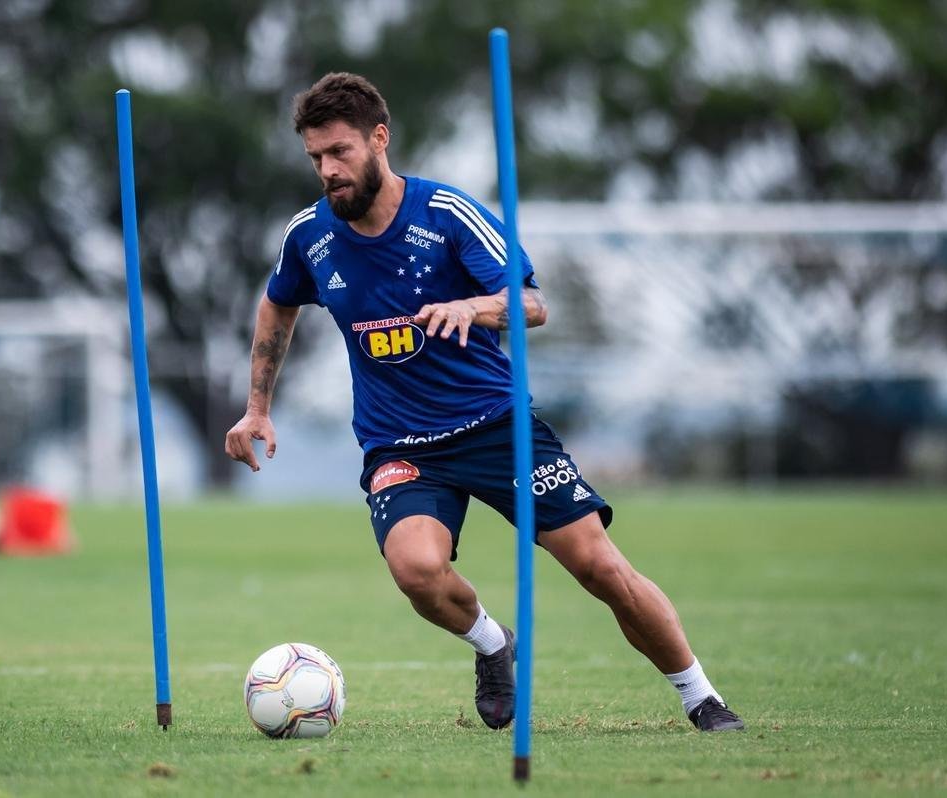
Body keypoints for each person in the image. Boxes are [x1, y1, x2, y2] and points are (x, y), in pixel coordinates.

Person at [225, 72, 744, 733]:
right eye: (316, 158)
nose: (328, 170)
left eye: (340, 152)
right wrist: (257, 407)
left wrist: (476, 305)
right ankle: (494, 645)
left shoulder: (446, 215)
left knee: (597, 565)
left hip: (497, 428)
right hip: (401, 444)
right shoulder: (310, 235)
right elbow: (278, 303)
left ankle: (701, 696)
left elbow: (533, 303)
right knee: (416, 570)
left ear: (379, 139)